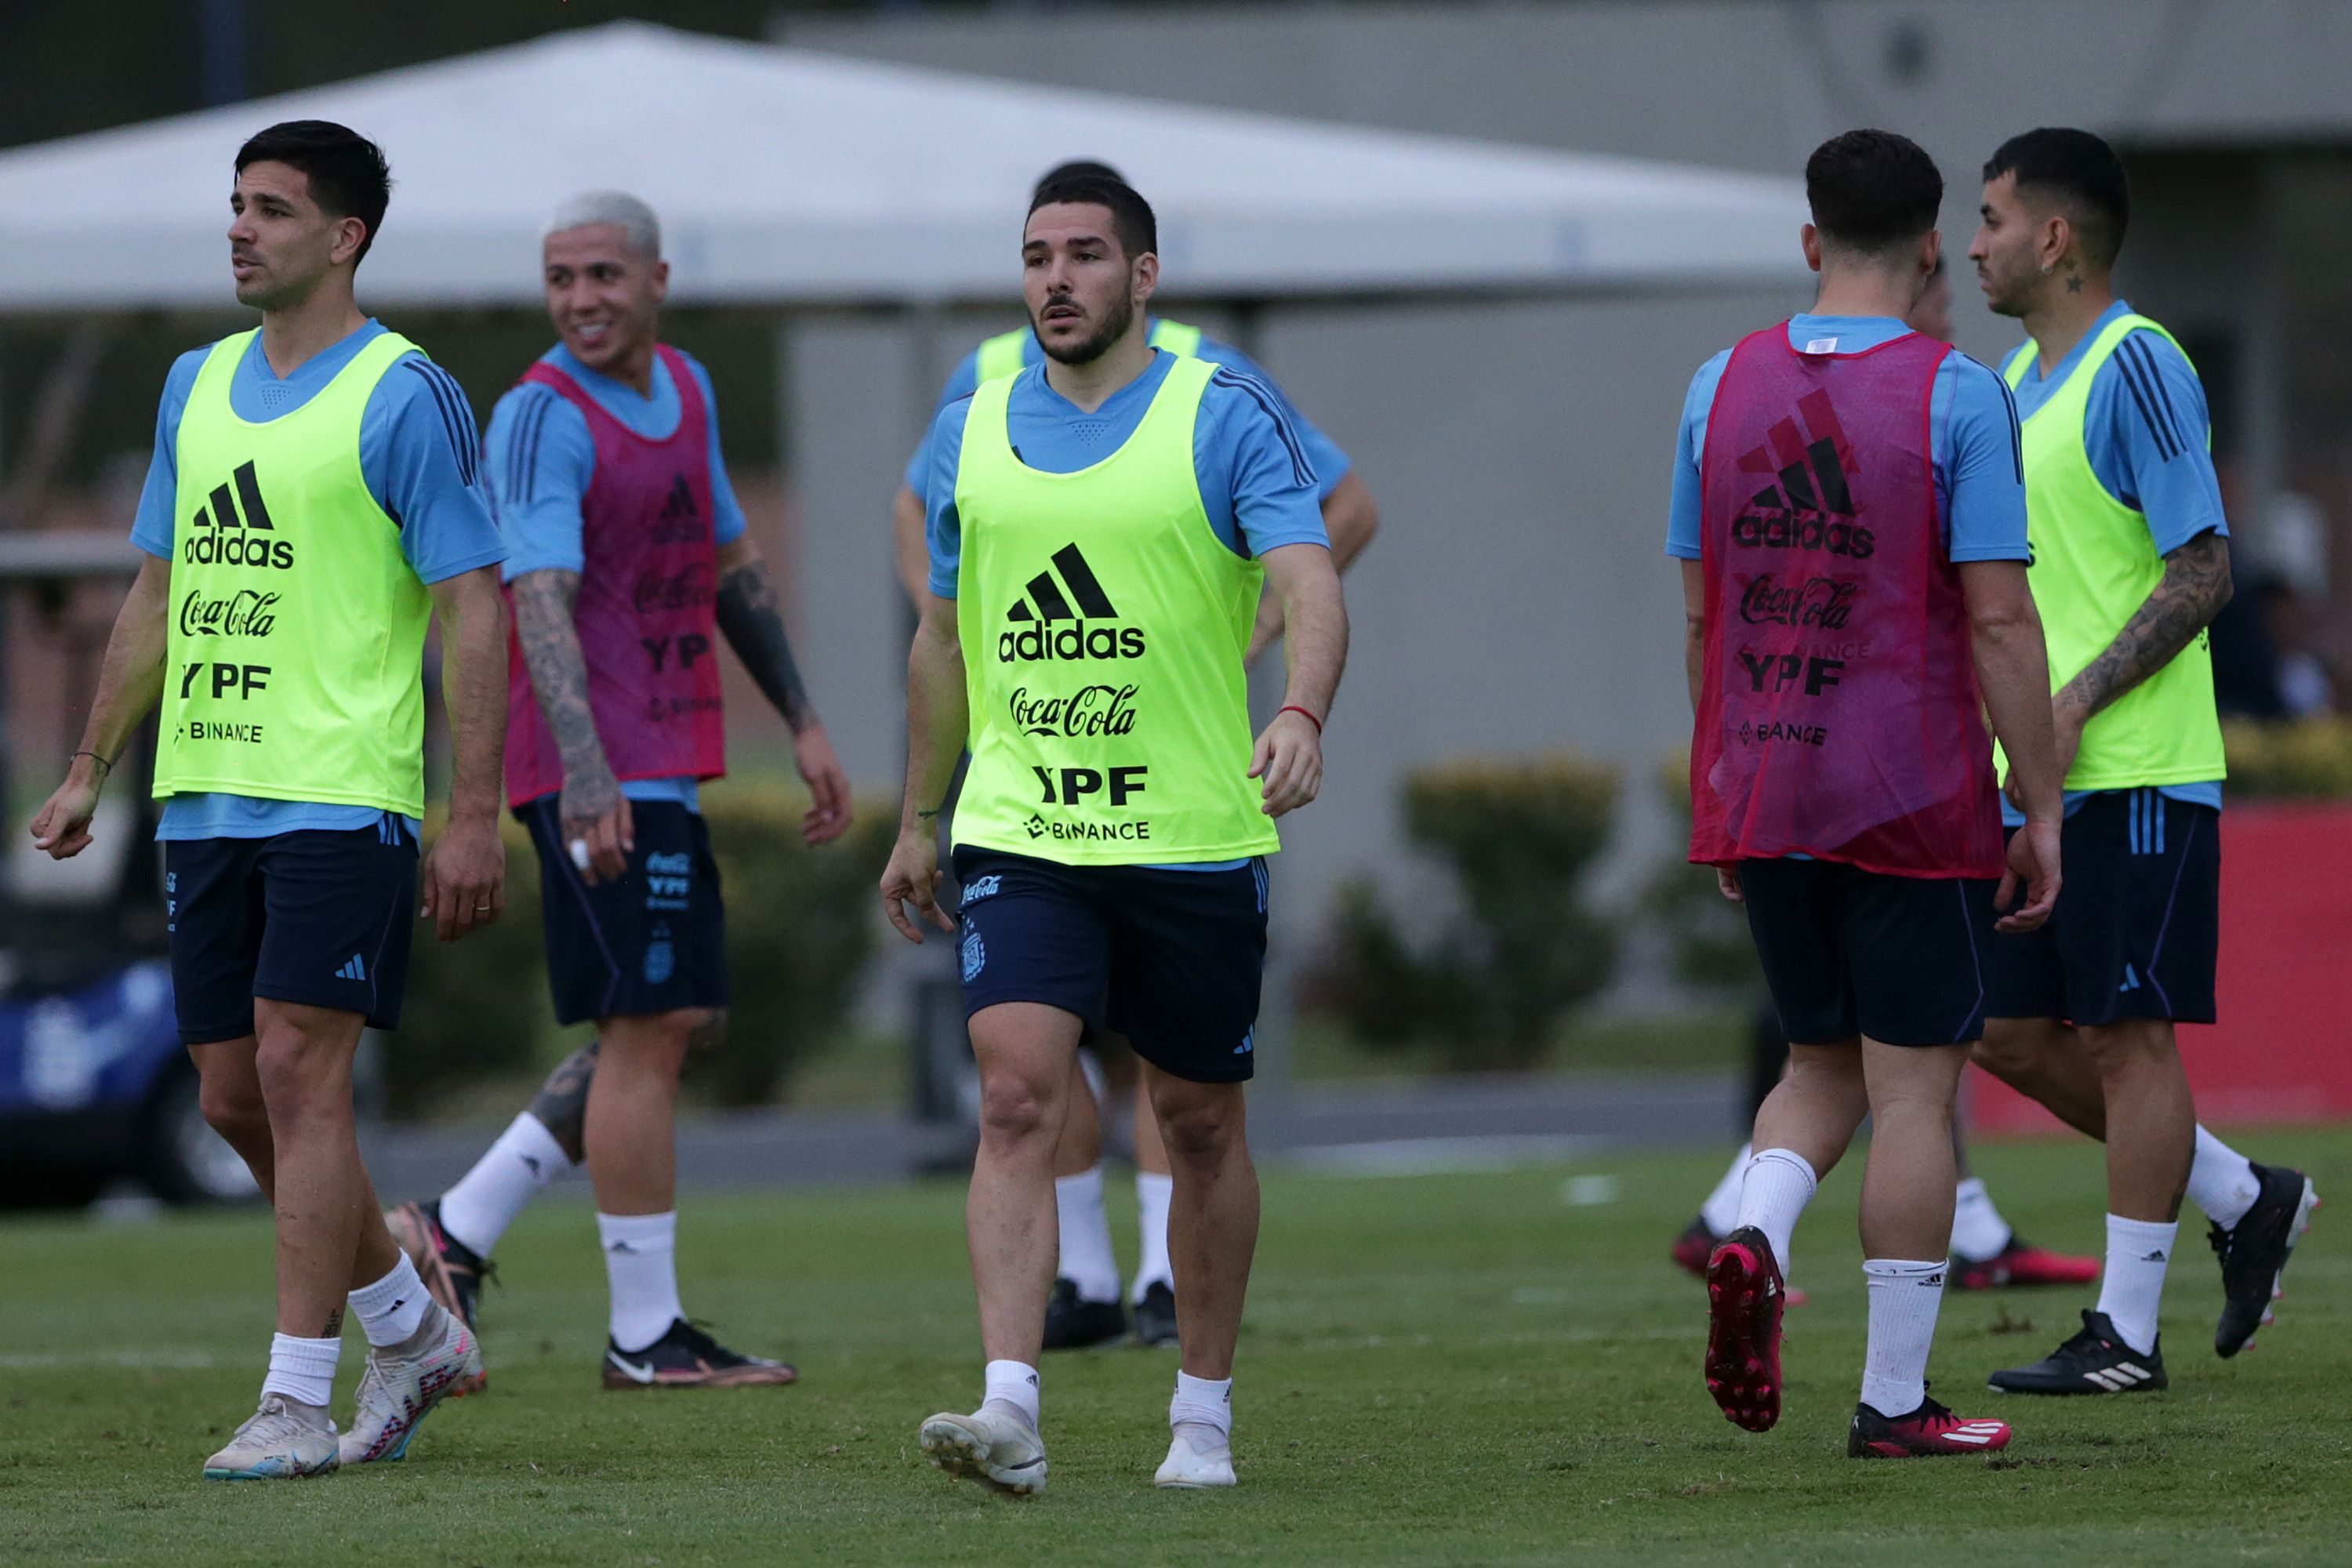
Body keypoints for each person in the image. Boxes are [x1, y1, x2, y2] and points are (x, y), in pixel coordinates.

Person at [28, 120, 506, 1479]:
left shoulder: (404, 393)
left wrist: (471, 813)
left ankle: (296, 1401)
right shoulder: (198, 383)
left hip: (341, 791)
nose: (241, 228)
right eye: (235, 205)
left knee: (300, 1075)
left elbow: (472, 603)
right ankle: (412, 1324)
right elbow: (162, 591)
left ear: (344, 237)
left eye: (274, 209)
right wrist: (89, 769)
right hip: (205, 796)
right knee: (233, 1096)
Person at [881, 173, 1346, 1494]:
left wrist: (1301, 708)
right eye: (1037, 257)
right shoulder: (968, 428)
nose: (1057, 279)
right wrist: (922, 816)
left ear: (1144, 275)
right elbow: (941, 636)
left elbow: (1313, 580)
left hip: (1194, 835)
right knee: (1019, 1091)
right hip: (1022, 827)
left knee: (1197, 1124)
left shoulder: (1221, 410)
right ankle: (1012, 1408)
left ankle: (1202, 1415)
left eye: (1087, 255)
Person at [382, 192, 852, 1392]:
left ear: (657, 280)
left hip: (664, 757)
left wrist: (800, 721)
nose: (582, 299)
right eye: (561, 279)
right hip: (596, 768)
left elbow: (733, 566)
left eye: (603, 275)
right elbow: (535, 597)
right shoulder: (540, 415)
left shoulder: (686, 390)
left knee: (671, 1021)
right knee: (648, 1031)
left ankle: (456, 1229)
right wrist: (583, 776)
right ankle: (645, 1337)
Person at [1675, 129, 2064, 1458]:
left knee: (1814, 1061)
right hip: (1909, 789)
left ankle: (1756, 1237)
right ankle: (1894, 1402)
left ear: (1806, 242)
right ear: (1926, 249)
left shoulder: (1715, 387)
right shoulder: (1959, 394)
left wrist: (1721, 779)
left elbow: (1700, 616)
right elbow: (2002, 624)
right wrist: (2042, 804)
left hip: (1766, 772)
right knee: (1912, 1093)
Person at [1963, 129, 2319, 1395]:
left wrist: (2075, 701)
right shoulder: (2005, 384)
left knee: (2126, 1035)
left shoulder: (2141, 362)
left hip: (2138, 773)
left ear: (2054, 237)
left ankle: (2123, 1335)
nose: (1975, 240)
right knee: (2000, 1032)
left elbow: (2207, 566)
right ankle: (2240, 1191)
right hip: (2039, 784)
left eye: (1994, 216)